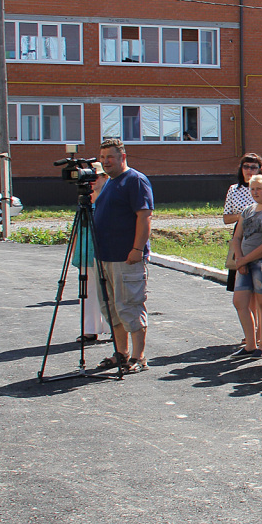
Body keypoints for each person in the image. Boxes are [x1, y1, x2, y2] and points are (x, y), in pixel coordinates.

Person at [93, 137, 153, 373]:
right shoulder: (109, 182)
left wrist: (137, 249)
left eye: (110, 157)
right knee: (111, 307)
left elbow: (144, 216)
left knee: (130, 305)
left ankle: (139, 357)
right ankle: (121, 353)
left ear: (122, 157)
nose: (106, 162)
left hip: (126, 257)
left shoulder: (135, 180)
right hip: (104, 257)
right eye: (102, 157)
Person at [227, 173, 262, 358]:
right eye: (253, 189)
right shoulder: (248, 210)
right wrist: (240, 259)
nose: (255, 192)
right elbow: (237, 237)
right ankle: (249, 343)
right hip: (243, 263)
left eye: (259, 189)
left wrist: (246, 259)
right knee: (239, 302)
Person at [72, 162, 110, 343]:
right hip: (86, 252)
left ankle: (113, 328)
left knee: (109, 292)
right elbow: (78, 228)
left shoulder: (109, 199)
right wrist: (75, 253)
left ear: (105, 177)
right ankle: (89, 329)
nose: (92, 182)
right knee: (87, 292)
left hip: (105, 251)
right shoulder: (84, 201)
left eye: (96, 177)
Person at [223, 153, 262, 302]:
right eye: (246, 166)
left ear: (260, 169)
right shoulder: (234, 189)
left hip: (261, 235)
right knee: (243, 289)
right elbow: (226, 218)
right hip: (240, 235)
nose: (249, 170)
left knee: (260, 290)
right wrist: (242, 215)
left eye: (253, 167)